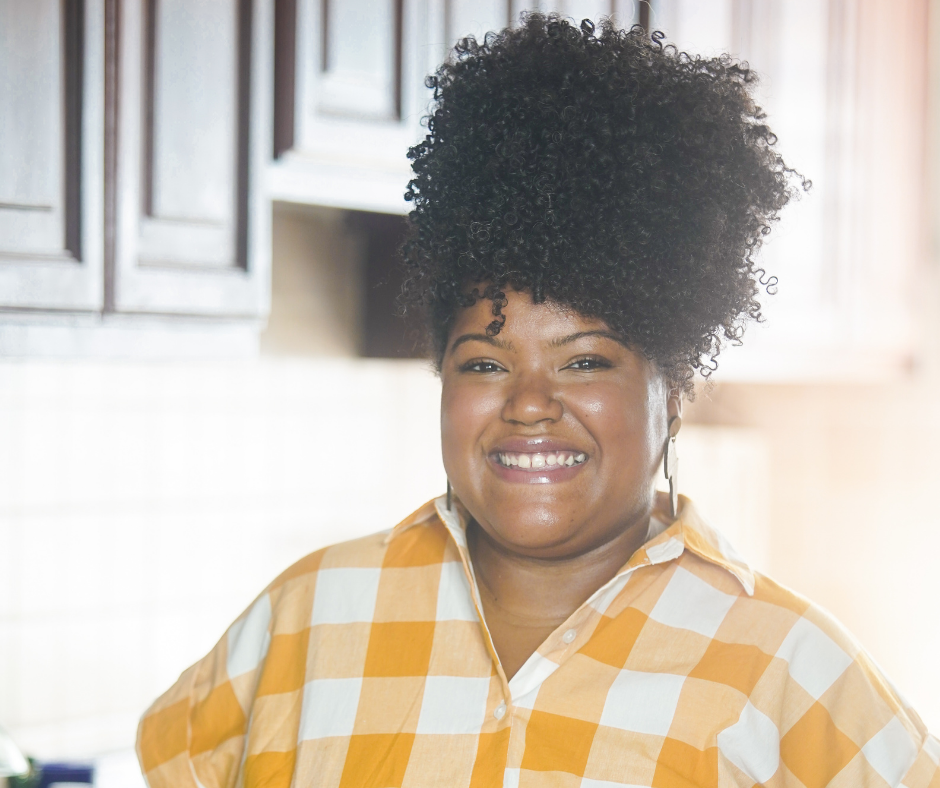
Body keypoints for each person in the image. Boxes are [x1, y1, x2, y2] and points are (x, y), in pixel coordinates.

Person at [137, 14, 939, 788]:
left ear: (676, 388)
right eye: (485, 364)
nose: (528, 404)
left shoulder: (788, 669)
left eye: (584, 360)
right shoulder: (307, 616)